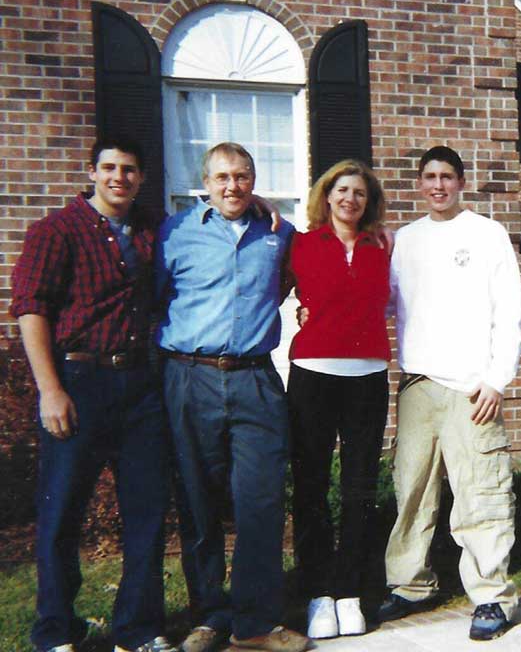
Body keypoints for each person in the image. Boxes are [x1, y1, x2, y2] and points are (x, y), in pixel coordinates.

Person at [11, 137, 176, 652]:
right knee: (62, 512)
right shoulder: (57, 231)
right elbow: (31, 309)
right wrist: (50, 390)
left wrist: (259, 205)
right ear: (92, 172)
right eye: (109, 168)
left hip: (141, 386)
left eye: (129, 169)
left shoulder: (151, 229)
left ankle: (138, 629)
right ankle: (55, 631)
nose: (118, 178)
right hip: (79, 381)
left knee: (147, 512)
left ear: (141, 177)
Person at [155, 142, 308, 652]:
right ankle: (208, 617)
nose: (232, 186)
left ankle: (254, 623)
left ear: (254, 180)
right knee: (197, 502)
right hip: (190, 376)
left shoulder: (279, 233)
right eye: (222, 177)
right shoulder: (175, 232)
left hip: (254, 379)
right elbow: (155, 298)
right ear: (206, 183)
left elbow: (306, 275)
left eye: (242, 176)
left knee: (260, 502)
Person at [379, 145, 521, 641]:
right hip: (418, 383)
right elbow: (386, 304)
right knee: (411, 491)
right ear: (419, 184)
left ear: (461, 182)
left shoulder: (486, 234)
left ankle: (491, 596)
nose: (437, 185)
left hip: (471, 387)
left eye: (446, 176)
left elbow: (509, 311)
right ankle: (410, 584)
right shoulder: (405, 240)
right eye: (429, 177)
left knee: (480, 492)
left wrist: (497, 379)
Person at [287, 160, 390, 640]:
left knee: (359, 487)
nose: (350, 199)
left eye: (360, 193)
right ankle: (318, 593)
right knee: (310, 486)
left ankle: (349, 592)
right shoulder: (300, 244)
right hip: (313, 374)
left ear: (369, 203)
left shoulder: (384, 247)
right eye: (342, 190)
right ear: (327, 195)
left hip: (367, 377)